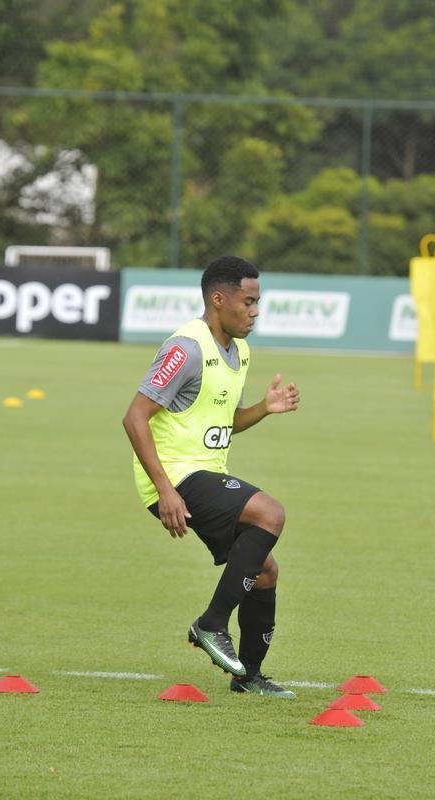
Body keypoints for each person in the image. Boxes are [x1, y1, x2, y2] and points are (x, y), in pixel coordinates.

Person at [123, 255, 300, 698]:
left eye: (257, 302)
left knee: (264, 570)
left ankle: (249, 677)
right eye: (248, 301)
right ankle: (211, 624)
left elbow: (225, 422)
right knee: (271, 514)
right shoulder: (186, 349)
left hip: (204, 473)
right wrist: (165, 490)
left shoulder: (239, 351)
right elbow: (134, 417)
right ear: (219, 300)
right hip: (175, 476)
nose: (255, 311)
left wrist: (264, 408)